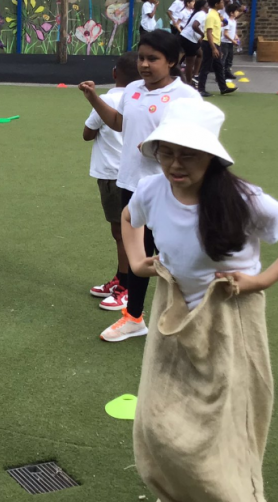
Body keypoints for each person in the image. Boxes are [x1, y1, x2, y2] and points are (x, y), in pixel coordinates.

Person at [123, 97, 278, 502]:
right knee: (157, 418)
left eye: (188, 155)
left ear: (211, 156)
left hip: (230, 315)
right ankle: (177, 500)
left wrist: (262, 280)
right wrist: (137, 262)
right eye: (167, 152)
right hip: (173, 308)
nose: (175, 164)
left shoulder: (244, 200)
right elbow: (129, 217)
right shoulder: (152, 189)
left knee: (220, 421)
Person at [79, 30, 201, 339]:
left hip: (169, 189)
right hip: (132, 185)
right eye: (142, 58)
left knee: (175, 255)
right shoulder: (133, 89)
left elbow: (199, 142)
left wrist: (160, 148)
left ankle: (193, 317)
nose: (145, 65)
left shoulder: (186, 96)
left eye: (153, 59)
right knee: (140, 256)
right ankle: (134, 317)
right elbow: (119, 123)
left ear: (172, 61)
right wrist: (93, 98)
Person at [84, 53, 139, 310]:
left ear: (115, 73)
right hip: (129, 173)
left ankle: (126, 287)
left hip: (112, 174)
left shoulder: (107, 100)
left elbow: (87, 133)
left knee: (122, 233)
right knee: (122, 232)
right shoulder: (138, 99)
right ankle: (121, 278)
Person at [197, 0, 237, 97]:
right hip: (210, 44)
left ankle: (223, 88)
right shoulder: (211, 16)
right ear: (216, 4)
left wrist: (223, 19)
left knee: (219, 66)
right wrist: (214, 48)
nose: (223, 4)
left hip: (216, 43)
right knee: (206, 67)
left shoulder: (216, 14)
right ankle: (201, 89)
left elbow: (223, 25)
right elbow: (209, 33)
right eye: (221, 2)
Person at [180, 0, 209, 86]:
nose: (208, 7)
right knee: (189, 62)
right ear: (202, 7)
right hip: (188, 39)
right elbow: (195, 26)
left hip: (189, 38)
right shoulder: (201, 14)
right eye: (207, 5)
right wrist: (202, 34)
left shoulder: (199, 13)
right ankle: (188, 82)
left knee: (200, 53)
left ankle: (195, 75)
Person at [221, 4, 241, 80]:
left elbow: (233, 32)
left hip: (230, 43)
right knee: (224, 58)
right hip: (225, 43)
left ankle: (227, 72)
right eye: (236, 11)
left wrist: (236, 37)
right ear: (231, 13)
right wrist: (233, 41)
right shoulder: (228, 22)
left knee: (230, 58)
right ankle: (221, 74)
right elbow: (225, 34)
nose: (238, 12)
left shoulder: (234, 21)